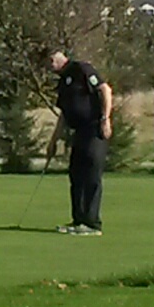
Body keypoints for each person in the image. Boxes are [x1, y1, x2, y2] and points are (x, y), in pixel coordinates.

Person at [44, 49, 113, 236]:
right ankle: (79, 220)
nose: (48, 68)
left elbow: (105, 90)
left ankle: (92, 223)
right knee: (76, 174)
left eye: (49, 63)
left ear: (56, 59)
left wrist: (106, 118)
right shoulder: (63, 83)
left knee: (91, 173)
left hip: (94, 129)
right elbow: (64, 115)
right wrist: (53, 141)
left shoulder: (81, 69)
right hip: (79, 132)